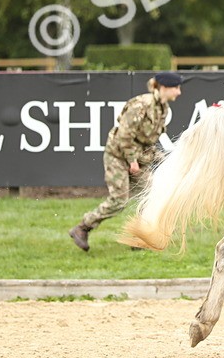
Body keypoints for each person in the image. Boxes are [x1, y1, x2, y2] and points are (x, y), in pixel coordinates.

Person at [69, 72, 183, 252]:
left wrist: (163, 159)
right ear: (164, 88)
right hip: (118, 157)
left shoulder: (162, 109)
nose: (179, 92)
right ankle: (82, 228)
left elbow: (147, 141)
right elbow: (124, 135)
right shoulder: (141, 105)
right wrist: (132, 161)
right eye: (176, 88)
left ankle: (138, 238)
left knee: (152, 195)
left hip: (138, 159)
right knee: (119, 201)